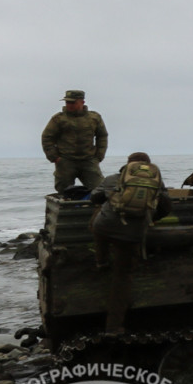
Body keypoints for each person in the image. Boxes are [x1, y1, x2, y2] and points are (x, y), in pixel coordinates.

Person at [88, 151, 172, 334]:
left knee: (98, 219)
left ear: (127, 165)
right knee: (122, 279)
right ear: (149, 166)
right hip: (130, 236)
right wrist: (150, 218)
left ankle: (101, 261)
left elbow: (94, 197)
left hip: (104, 229)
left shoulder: (112, 179)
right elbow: (166, 206)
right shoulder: (157, 183)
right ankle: (113, 327)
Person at [41, 89, 108, 195]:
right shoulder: (58, 119)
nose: (69, 105)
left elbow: (102, 136)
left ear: (82, 102)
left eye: (73, 102)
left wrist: (99, 155)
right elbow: (47, 138)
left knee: (100, 191)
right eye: (67, 102)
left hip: (89, 160)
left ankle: (94, 211)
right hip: (66, 162)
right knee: (63, 192)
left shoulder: (94, 118)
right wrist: (54, 157)